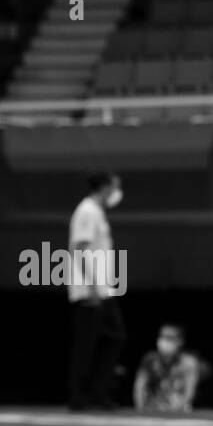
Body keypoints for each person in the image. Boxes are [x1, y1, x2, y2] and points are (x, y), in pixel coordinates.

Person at [67, 172, 126, 411]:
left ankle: (97, 392)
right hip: (89, 289)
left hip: (102, 288)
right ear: (104, 187)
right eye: (115, 187)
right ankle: (79, 396)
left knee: (113, 337)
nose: (117, 192)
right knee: (86, 344)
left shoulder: (96, 212)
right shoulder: (87, 211)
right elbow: (79, 247)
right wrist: (90, 286)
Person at [133, 324, 200, 412]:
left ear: (180, 341)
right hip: (151, 409)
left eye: (169, 337)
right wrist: (140, 410)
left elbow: (190, 393)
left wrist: (181, 410)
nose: (164, 341)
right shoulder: (150, 360)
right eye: (162, 336)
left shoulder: (189, 362)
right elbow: (139, 387)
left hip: (178, 410)